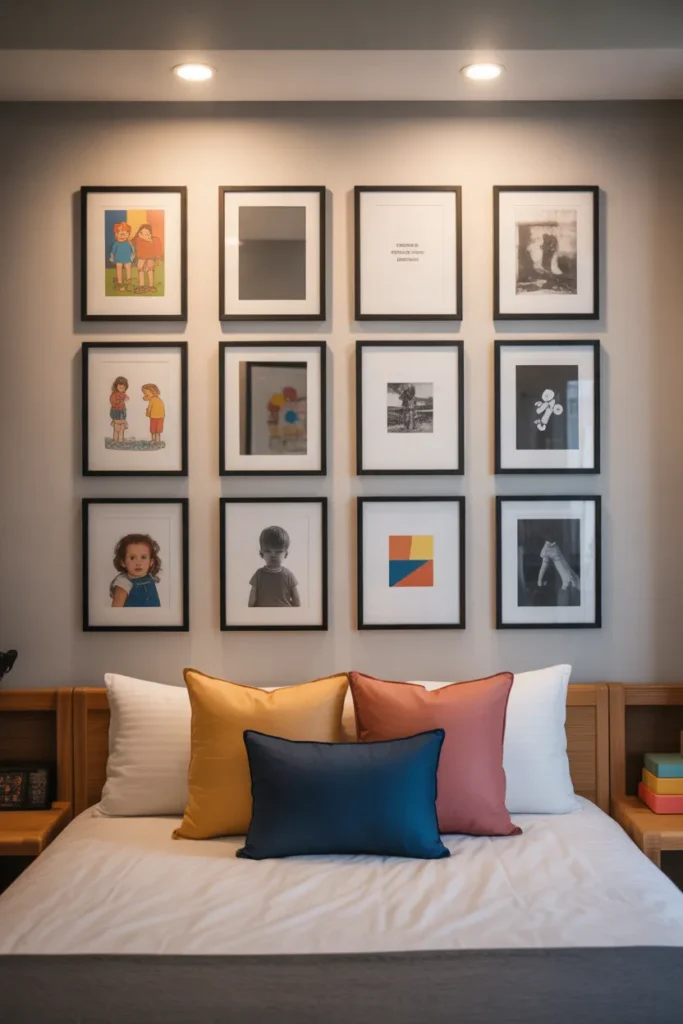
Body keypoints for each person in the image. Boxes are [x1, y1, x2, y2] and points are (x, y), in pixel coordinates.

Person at [248, 526, 301, 608]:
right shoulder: (259, 574)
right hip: (262, 614)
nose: (273, 555)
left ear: (286, 554)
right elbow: (252, 600)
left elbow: (297, 601)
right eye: (268, 551)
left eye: (278, 552)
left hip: (285, 614)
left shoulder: (289, 575)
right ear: (261, 553)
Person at [110, 534, 161, 607]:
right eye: (132, 558)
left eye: (143, 557)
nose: (138, 563)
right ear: (123, 562)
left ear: (151, 562)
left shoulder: (150, 577)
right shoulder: (123, 583)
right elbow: (116, 609)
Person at [537, 536, 580, 606]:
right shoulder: (547, 549)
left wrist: (540, 581)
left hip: (572, 581)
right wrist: (539, 581)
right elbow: (544, 567)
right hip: (569, 584)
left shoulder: (555, 546)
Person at [132, 223, 163, 294]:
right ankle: (141, 286)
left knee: (150, 268)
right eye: (141, 233)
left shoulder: (154, 240)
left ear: (150, 234)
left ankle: (151, 286)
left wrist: (157, 258)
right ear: (139, 233)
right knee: (140, 268)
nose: (143, 235)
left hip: (150, 258)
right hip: (141, 257)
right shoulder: (138, 240)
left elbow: (157, 250)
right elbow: (136, 249)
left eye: (146, 233)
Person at [108, 222, 134, 292]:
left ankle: (128, 281)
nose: (121, 236)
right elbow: (112, 252)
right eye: (118, 234)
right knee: (119, 268)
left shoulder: (129, 243)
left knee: (128, 268)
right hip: (118, 259)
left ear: (128, 235)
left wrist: (132, 256)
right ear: (116, 234)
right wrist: (112, 257)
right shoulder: (115, 243)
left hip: (127, 259)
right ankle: (119, 282)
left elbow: (132, 250)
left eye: (124, 234)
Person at [109, 376, 129, 446]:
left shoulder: (123, 394)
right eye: (120, 385)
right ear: (116, 385)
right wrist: (119, 402)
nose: (122, 387)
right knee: (117, 428)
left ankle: (121, 440)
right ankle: (115, 441)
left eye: (124, 386)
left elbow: (126, 398)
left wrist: (125, 397)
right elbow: (113, 402)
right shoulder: (114, 394)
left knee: (122, 427)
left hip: (122, 412)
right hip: (116, 411)